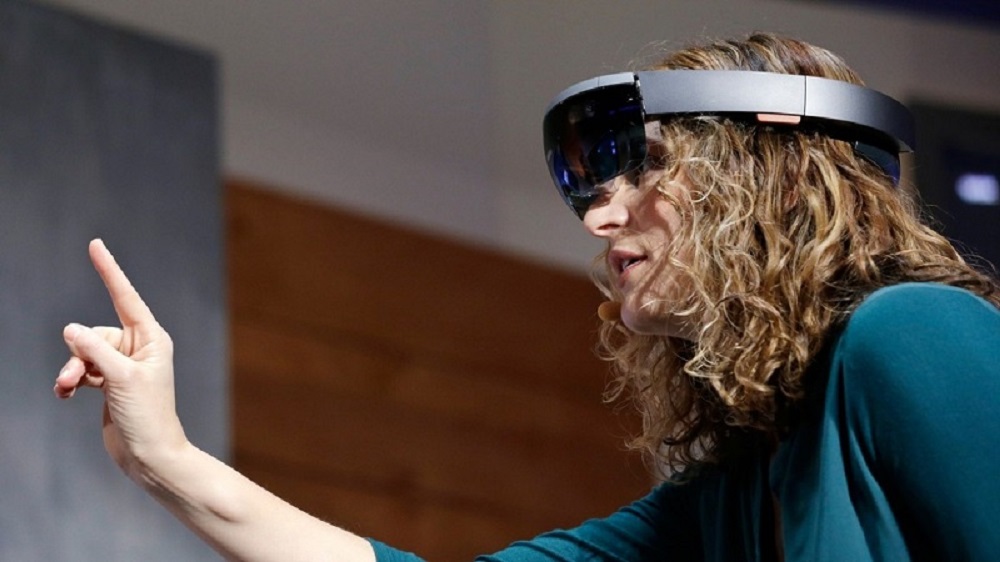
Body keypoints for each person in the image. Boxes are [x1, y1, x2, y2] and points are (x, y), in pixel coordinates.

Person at [54, 33, 1000, 561]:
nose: (601, 219)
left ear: (775, 182)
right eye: (594, 188)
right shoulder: (736, 491)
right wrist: (164, 458)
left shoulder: (911, 334)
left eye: (648, 169)